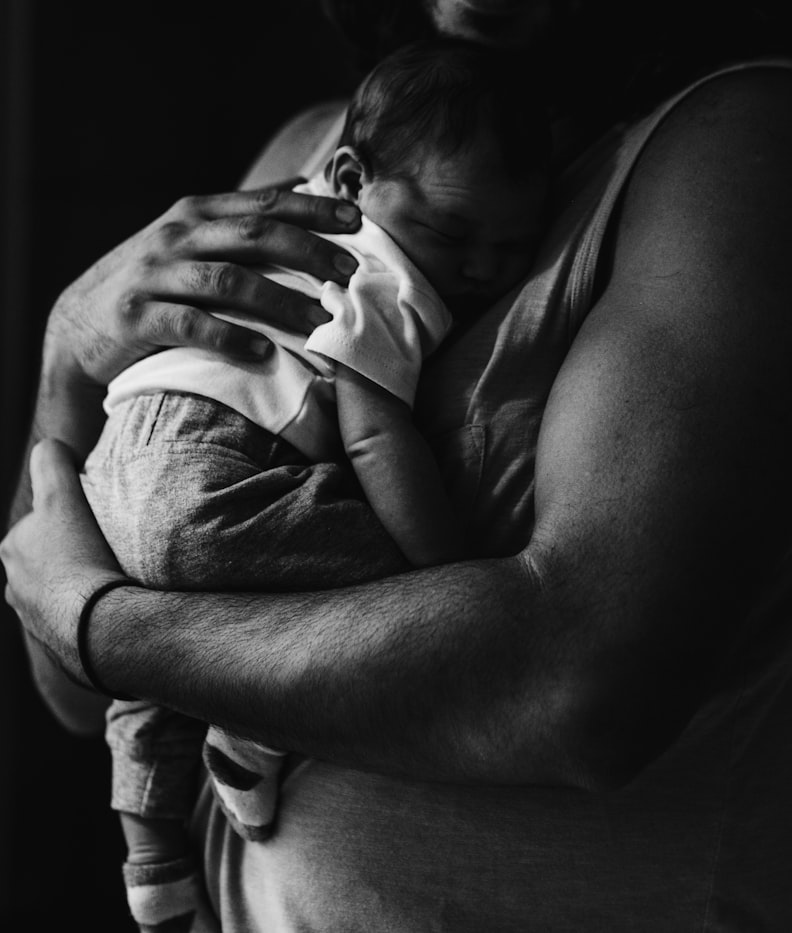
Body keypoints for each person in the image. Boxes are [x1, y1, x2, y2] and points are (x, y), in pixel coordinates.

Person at [2, 1, 792, 930]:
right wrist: (69, 362)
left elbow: (577, 690)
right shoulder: (313, 150)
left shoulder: (755, 155)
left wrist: (109, 628)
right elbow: (68, 691)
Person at [76, 35, 551, 933]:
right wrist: (440, 572)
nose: (482, 269)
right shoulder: (382, 272)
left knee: (156, 654)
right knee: (383, 582)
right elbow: (376, 435)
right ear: (350, 177)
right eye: (453, 231)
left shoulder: (288, 228)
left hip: (124, 451)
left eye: (513, 243)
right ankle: (257, 727)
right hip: (207, 471)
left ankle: (154, 857)